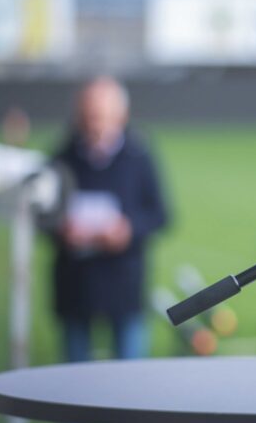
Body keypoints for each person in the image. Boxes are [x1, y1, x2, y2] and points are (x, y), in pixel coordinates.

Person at [49, 76, 169, 364]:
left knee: (129, 381)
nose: (95, 124)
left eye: (102, 116)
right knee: (73, 380)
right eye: (89, 116)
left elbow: (160, 214)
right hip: (76, 283)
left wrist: (128, 230)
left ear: (121, 115)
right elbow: (42, 216)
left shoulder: (139, 155)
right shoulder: (61, 156)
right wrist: (62, 230)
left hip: (124, 283)